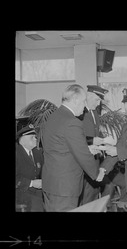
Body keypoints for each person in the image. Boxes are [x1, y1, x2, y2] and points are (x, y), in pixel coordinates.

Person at [41, 84, 105, 212]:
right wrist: (97, 173)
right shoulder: (72, 122)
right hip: (65, 187)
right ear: (75, 100)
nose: (84, 107)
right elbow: (82, 155)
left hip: (51, 184)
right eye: (83, 102)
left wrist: (88, 148)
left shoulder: (53, 117)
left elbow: (62, 147)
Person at [78, 85, 109, 205]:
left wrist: (103, 140)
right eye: (97, 100)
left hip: (95, 160)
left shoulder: (94, 112)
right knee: (85, 198)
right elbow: (75, 138)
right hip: (84, 160)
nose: (98, 104)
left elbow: (97, 133)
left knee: (93, 195)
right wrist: (92, 141)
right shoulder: (79, 112)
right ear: (88, 96)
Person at [16, 124, 44, 212]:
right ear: (22, 140)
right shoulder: (17, 154)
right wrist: (31, 183)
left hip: (38, 194)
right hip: (20, 195)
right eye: (32, 137)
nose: (36, 139)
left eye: (36, 136)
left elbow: (43, 170)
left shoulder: (37, 152)